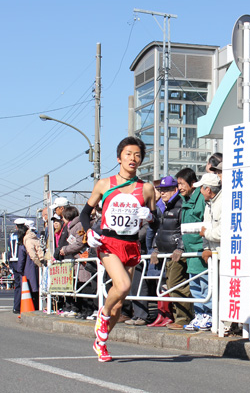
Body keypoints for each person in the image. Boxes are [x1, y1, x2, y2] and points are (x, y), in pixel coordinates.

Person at [80, 136, 157, 362]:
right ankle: (102, 316)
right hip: (108, 243)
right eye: (128, 154)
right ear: (119, 157)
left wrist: (150, 216)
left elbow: (156, 221)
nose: (133, 158)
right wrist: (89, 232)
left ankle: (101, 343)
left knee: (121, 302)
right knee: (122, 285)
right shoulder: (105, 184)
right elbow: (85, 213)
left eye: (137, 155)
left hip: (131, 244)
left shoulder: (147, 188)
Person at [149, 176, 193, 330]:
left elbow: (185, 228)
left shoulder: (180, 205)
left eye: (166, 190)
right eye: (161, 190)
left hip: (176, 252)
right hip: (166, 251)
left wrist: (180, 248)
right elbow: (160, 230)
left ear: (175, 190)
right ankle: (179, 317)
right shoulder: (166, 206)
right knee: (171, 285)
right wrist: (156, 248)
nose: (163, 193)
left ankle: (183, 318)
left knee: (175, 284)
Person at [176, 168, 208, 331]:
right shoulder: (184, 200)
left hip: (201, 249)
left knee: (205, 284)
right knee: (195, 285)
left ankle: (208, 315)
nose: (179, 187)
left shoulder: (201, 199)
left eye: (182, 183)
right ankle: (200, 315)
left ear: (192, 183)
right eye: (178, 184)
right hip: (190, 251)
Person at [58, 206, 95, 320]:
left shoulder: (77, 225)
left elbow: (79, 243)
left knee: (86, 284)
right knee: (80, 285)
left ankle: (88, 310)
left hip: (82, 257)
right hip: (78, 258)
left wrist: (65, 249)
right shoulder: (73, 225)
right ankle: (84, 310)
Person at [197, 173, 222, 330]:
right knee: (216, 290)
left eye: (201, 187)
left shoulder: (224, 202)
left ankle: (224, 323)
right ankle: (219, 322)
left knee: (223, 290)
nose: (199, 190)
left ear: (208, 189)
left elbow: (223, 231)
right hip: (214, 254)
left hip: (225, 254)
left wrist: (205, 234)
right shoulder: (209, 203)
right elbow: (206, 226)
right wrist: (206, 247)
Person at [16, 220, 45, 310]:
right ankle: (38, 307)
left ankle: (32, 308)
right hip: (36, 268)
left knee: (30, 290)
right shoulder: (36, 238)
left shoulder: (25, 242)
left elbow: (22, 259)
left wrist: (19, 270)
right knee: (37, 289)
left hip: (28, 269)